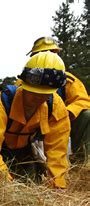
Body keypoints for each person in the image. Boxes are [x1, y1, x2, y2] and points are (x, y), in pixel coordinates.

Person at [0, 51, 70, 188]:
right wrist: (6, 188)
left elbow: (58, 150)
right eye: (33, 92)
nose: (38, 97)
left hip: (22, 149)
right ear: (23, 85)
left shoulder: (56, 105)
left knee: (31, 183)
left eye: (44, 94)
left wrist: (58, 185)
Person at [25, 36, 89, 164]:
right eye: (42, 54)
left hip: (61, 121)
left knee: (87, 116)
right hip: (34, 125)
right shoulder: (25, 80)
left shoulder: (69, 80)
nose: (47, 57)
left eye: (51, 53)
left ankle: (80, 162)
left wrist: (64, 114)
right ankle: (29, 164)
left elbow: (82, 100)